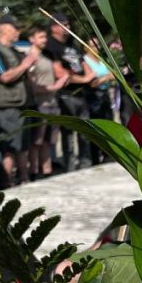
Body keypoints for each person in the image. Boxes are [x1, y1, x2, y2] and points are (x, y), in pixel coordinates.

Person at [0, 14, 36, 186]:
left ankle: (24, 179)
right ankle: (6, 184)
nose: (18, 31)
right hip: (7, 105)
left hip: (22, 104)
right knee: (9, 148)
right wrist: (25, 64)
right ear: (4, 29)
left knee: (23, 146)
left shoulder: (14, 50)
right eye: (15, 28)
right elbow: (4, 77)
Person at [45, 13, 96, 170]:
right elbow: (60, 74)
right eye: (64, 25)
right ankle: (70, 164)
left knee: (85, 129)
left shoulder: (72, 43)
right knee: (68, 132)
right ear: (54, 27)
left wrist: (88, 76)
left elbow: (83, 63)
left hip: (82, 94)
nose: (68, 28)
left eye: (68, 24)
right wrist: (85, 79)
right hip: (66, 95)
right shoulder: (50, 46)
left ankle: (86, 161)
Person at [26, 25, 68, 178]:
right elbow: (32, 85)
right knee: (36, 140)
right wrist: (54, 86)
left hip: (52, 103)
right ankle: (34, 171)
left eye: (45, 37)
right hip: (40, 104)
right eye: (40, 37)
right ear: (31, 39)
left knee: (48, 140)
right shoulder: (29, 57)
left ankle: (47, 169)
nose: (44, 40)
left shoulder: (46, 57)